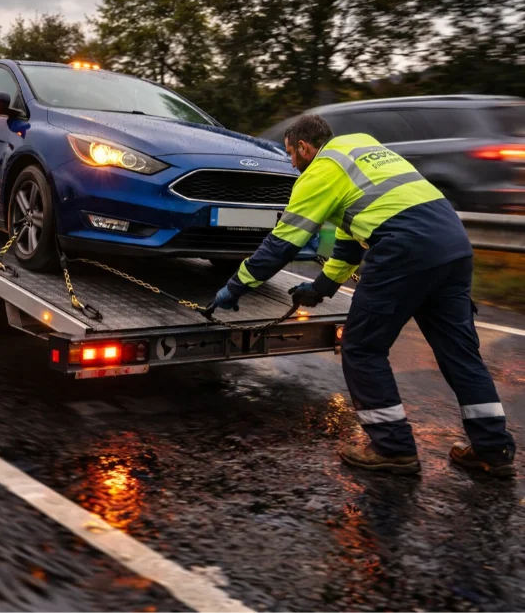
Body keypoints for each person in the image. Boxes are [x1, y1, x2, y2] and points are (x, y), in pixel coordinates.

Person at [212, 114, 515, 477]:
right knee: (460, 353)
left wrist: (235, 286)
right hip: (453, 246)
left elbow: (283, 242)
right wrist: (322, 287)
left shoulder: (320, 170)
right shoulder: (361, 147)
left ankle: (393, 449)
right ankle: (493, 449)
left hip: (404, 250)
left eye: (292, 155)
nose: (293, 164)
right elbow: (351, 237)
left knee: (362, 347)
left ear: (305, 148)